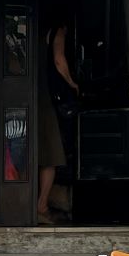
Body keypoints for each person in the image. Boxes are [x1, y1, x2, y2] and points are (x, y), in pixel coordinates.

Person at [37, 21, 80, 225]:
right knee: (51, 155)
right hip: (47, 101)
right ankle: (42, 206)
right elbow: (58, 59)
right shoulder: (58, 30)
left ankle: (33, 205)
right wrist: (72, 83)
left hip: (30, 98)